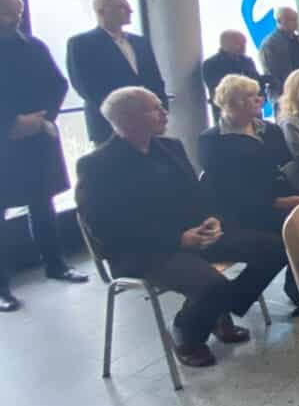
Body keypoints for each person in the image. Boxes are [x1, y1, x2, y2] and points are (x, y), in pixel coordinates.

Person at [75, 87, 287, 367]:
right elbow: (106, 229)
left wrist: (211, 219)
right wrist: (177, 239)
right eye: (154, 108)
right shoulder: (97, 165)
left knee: (276, 248)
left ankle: (219, 308)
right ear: (128, 119)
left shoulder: (170, 147)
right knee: (213, 284)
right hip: (146, 251)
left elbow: (197, 195)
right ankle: (188, 334)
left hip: (194, 235)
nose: (165, 112)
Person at [0, 0, 88, 311]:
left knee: (43, 204)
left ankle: (56, 264)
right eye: (9, 12)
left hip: (37, 136)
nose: (16, 18)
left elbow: (57, 84)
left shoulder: (33, 46)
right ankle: (2, 287)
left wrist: (41, 118)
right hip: (4, 140)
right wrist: (11, 123)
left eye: (19, 12)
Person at [197, 74, 299, 312]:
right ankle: (236, 299)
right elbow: (229, 190)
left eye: (258, 94)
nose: (260, 99)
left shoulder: (270, 130)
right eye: (251, 96)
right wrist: (279, 202)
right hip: (240, 212)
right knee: (285, 239)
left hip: (277, 201)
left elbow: (288, 167)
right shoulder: (212, 141)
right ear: (233, 103)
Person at [66, 0, 167, 144]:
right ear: (101, 12)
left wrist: (160, 108)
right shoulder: (82, 43)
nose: (130, 11)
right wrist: (121, 113)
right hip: (108, 123)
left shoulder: (140, 42)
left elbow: (154, 78)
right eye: (121, 7)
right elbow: (85, 85)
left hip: (149, 120)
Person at [259, 7, 299, 112]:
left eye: (295, 19)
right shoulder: (270, 44)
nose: (295, 23)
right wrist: (292, 91)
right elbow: (274, 75)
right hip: (285, 97)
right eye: (290, 20)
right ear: (279, 21)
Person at [201, 30, 264, 124]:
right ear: (225, 44)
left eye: (244, 44)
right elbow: (219, 90)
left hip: (252, 111)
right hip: (228, 113)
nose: (243, 47)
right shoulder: (211, 64)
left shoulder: (247, 61)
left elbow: (256, 81)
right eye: (238, 44)